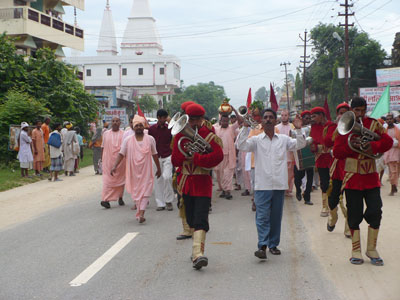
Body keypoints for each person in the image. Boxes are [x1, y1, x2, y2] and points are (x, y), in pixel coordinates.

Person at [237, 109, 306, 260]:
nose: (268, 120)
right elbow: (241, 146)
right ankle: (262, 245)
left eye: (271, 117)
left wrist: (299, 129)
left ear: (276, 120)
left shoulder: (283, 139)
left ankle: (273, 245)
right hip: (262, 184)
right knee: (262, 216)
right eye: (265, 117)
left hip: (279, 184)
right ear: (261, 121)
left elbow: (300, 144)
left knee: (275, 217)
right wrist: (244, 127)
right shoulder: (256, 140)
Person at [333, 97, 392, 266]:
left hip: (371, 178)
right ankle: (356, 250)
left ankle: (371, 249)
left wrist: (372, 147)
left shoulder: (373, 124)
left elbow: (387, 142)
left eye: (362, 110)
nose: (359, 114)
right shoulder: (344, 128)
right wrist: (353, 145)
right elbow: (336, 152)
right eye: (356, 111)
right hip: (352, 178)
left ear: (366, 109)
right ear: (351, 111)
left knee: (375, 211)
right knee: (354, 214)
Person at [172, 103, 223, 269]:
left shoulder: (209, 136)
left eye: (196, 120)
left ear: (202, 119)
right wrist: (185, 156)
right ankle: (196, 250)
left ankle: (197, 254)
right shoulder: (180, 137)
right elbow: (175, 160)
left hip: (202, 183)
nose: (193, 123)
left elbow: (218, 156)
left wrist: (197, 159)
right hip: (186, 183)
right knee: (191, 219)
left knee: (201, 218)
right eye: (190, 120)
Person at [111, 115, 161, 223]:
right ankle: (139, 211)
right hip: (133, 170)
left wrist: (158, 168)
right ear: (133, 127)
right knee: (137, 191)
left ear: (144, 127)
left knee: (146, 190)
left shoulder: (150, 139)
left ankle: (141, 213)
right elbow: (121, 154)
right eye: (136, 125)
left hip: (146, 170)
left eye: (140, 125)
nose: (138, 127)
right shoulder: (127, 140)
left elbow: (155, 154)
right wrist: (115, 166)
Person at [324, 102, 351, 238]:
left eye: (345, 113)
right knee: (333, 198)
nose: (342, 115)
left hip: (352, 168)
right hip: (337, 168)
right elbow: (327, 142)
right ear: (337, 115)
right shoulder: (332, 127)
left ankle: (348, 228)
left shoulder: (355, 127)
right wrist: (336, 128)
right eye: (340, 113)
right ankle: (333, 218)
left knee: (352, 201)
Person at [148, 109, 174, 211]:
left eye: (165, 117)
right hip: (156, 157)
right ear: (158, 118)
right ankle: (160, 203)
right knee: (158, 180)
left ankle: (168, 201)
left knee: (167, 177)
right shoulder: (152, 129)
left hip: (167, 155)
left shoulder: (170, 129)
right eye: (163, 118)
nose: (164, 119)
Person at [310, 107, 333, 217]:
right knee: (324, 182)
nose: (312, 119)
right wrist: (313, 147)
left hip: (333, 159)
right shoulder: (313, 127)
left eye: (314, 116)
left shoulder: (332, 126)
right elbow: (312, 142)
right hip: (321, 159)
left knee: (334, 182)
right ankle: (325, 206)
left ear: (321, 115)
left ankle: (333, 204)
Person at [214, 109, 241, 199]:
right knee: (221, 174)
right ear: (220, 122)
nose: (225, 122)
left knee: (228, 173)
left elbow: (240, 120)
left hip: (230, 155)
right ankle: (224, 190)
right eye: (223, 121)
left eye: (226, 121)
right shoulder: (216, 129)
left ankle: (228, 191)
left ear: (228, 121)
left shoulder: (232, 128)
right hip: (220, 156)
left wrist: (234, 110)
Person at [101, 117, 126, 208]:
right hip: (108, 161)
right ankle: (105, 199)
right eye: (113, 121)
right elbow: (103, 147)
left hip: (120, 161)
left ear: (120, 123)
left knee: (120, 180)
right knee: (107, 181)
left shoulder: (124, 134)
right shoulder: (106, 134)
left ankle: (120, 197)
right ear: (111, 123)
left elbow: (125, 148)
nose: (115, 123)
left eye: (117, 121)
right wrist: (102, 159)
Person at [293, 110, 314, 205]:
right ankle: (298, 189)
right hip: (299, 157)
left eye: (310, 118)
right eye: (306, 118)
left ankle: (307, 197)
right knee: (298, 178)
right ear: (302, 119)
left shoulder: (312, 128)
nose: (308, 120)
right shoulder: (295, 130)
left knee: (310, 178)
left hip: (310, 156)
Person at [276, 109, 295, 196]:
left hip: (290, 154)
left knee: (290, 174)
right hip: (280, 154)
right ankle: (282, 189)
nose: (283, 117)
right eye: (282, 115)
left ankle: (288, 190)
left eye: (285, 115)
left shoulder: (293, 127)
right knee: (281, 173)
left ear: (288, 116)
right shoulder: (276, 128)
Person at [383, 113, 400, 196]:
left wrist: (396, 143)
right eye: (387, 119)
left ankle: (394, 186)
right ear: (386, 121)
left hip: (396, 152)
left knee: (395, 171)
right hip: (388, 152)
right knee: (391, 171)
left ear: (393, 120)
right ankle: (393, 187)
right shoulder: (385, 130)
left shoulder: (397, 130)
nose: (389, 120)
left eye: (390, 119)